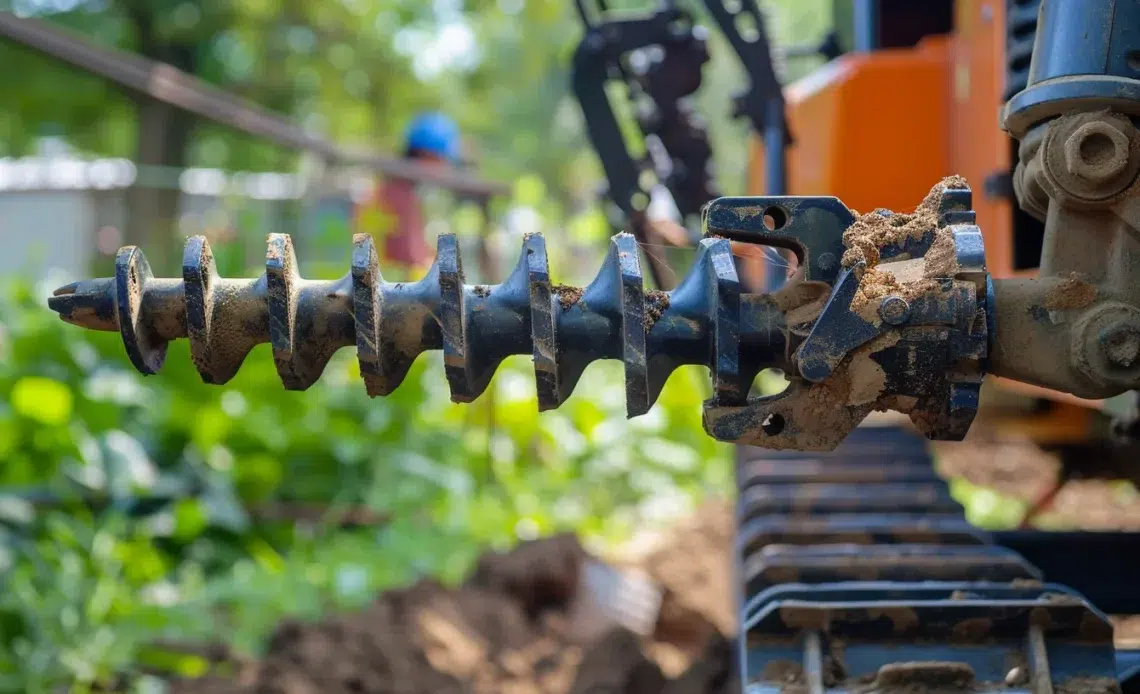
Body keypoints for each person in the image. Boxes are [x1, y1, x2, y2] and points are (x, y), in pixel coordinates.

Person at [355, 112, 461, 276]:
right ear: (428, 156)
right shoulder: (399, 195)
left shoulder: (391, 187)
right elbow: (411, 257)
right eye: (442, 161)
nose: (444, 170)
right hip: (386, 286)